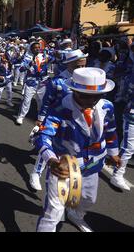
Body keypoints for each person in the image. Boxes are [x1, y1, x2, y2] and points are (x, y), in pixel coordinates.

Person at [34, 67, 120, 232]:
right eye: (86, 95)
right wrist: (52, 160)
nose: (92, 100)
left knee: (88, 200)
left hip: (93, 165)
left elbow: (111, 131)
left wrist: (113, 153)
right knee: (53, 212)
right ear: (74, 91)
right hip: (64, 166)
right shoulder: (60, 108)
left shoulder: (107, 107)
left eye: (98, 95)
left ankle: (76, 215)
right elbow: (43, 136)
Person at [29, 49, 88, 191]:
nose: (82, 69)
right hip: (56, 121)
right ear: (69, 65)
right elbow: (47, 102)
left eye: (84, 65)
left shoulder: (85, 81)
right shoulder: (57, 82)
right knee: (49, 147)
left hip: (76, 122)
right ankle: (36, 173)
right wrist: (41, 119)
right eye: (78, 66)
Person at [16, 42, 55, 125]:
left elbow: (54, 59)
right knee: (26, 101)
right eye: (35, 48)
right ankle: (21, 116)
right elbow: (21, 69)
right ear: (31, 49)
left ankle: (40, 117)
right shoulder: (27, 57)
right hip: (31, 82)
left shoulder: (44, 55)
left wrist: (49, 59)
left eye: (38, 47)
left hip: (42, 82)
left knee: (41, 101)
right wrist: (29, 64)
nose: (37, 49)